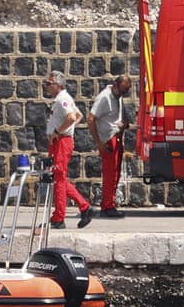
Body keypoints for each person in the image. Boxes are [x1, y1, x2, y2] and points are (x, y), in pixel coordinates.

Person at [44, 71, 94, 229]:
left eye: (49, 83)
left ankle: (59, 217)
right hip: (60, 141)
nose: (47, 87)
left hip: (61, 142)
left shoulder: (62, 99)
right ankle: (84, 207)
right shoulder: (63, 98)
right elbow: (78, 115)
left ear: (58, 85)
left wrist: (59, 132)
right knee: (60, 178)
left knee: (58, 179)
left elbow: (72, 117)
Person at [89, 75, 132, 219]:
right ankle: (107, 206)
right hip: (107, 139)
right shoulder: (104, 97)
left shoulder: (117, 96)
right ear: (115, 85)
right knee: (110, 174)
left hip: (116, 136)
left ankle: (110, 203)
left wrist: (124, 125)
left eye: (125, 91)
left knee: (115, 173)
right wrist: (99, 142)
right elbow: (91, 119)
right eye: (122, 90)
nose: (123, 94)